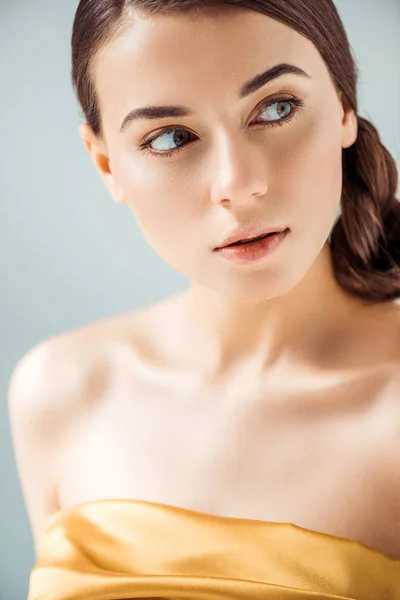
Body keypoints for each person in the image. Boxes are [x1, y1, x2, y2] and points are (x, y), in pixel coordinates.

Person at [8, 0, 400, 598]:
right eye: (171, 137)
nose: (238, 183)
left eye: (276, 108)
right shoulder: (62, 390)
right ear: (106, 162)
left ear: (345, 106)